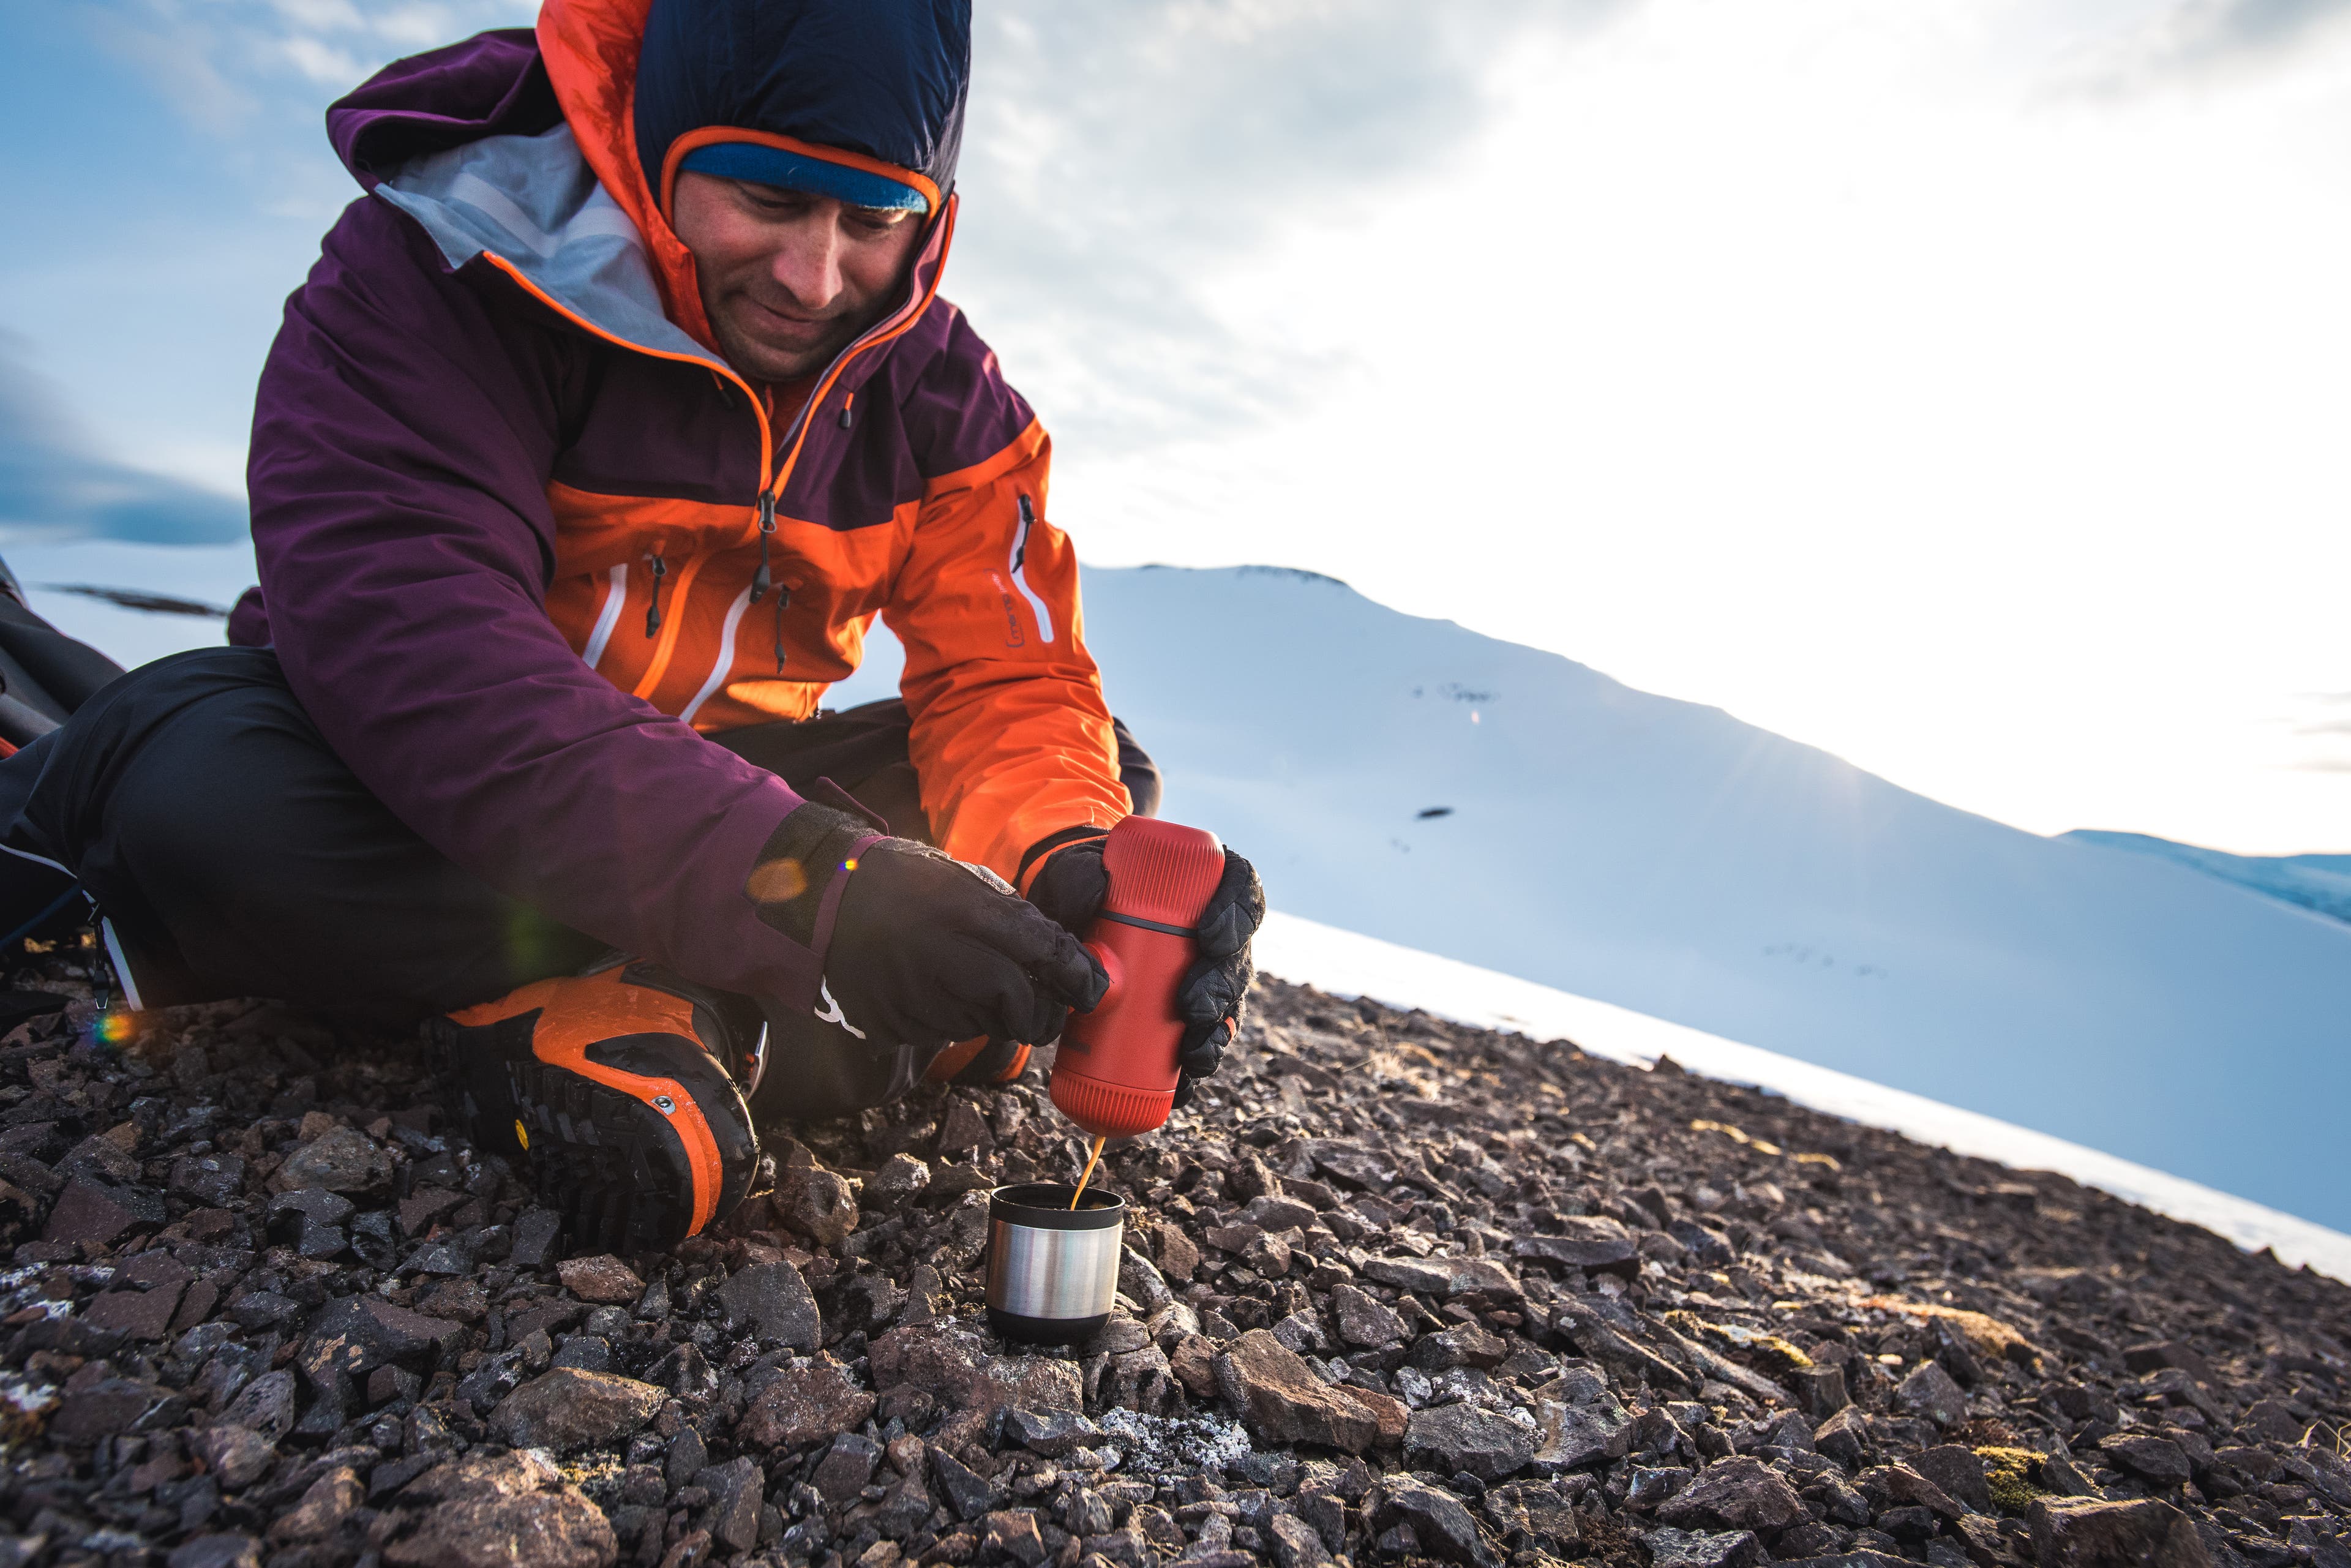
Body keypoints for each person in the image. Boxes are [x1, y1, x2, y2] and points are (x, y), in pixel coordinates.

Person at [0, 0, 1261, 1252]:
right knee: (213, 805)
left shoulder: (948, 401)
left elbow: (1012, 678)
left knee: (1096, 791)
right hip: (394, 785)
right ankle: (800, 1004)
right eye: (766, 199)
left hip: (721, 805)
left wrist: (1061, 865)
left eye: (876, 220)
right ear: (648, 143)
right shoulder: (442, 267)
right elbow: (432, 671)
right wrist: (819, 901)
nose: (816, 277)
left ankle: (651, 1000)